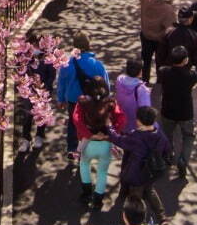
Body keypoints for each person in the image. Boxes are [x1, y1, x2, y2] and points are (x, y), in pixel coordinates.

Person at [109, 105, 172, 225]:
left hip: (136, 173)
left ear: (139, 121)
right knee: (150, 190)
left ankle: (138, 223)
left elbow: (118, 139)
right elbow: (167, 150)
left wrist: (109, 127)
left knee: (135, 200)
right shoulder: (160, 135)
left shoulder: (136, 136)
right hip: (152, 172)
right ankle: (162, 217)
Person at [55, 34, 109, 164]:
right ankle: (85, 151)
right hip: (92, 100)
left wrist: (61, 99)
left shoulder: (67, 64)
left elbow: (61, 83)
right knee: (89, 125)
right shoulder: (97, 65)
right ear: (88, 46)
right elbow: (105, 84)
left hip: (73, 100)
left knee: (73, 123)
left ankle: (72, 148)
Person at [74, 79, 125, 211]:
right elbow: (121, 118)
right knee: (102, 172)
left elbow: (76, 119)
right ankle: (98, 200)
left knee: (84, 165)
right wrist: (112, 134)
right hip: (106, 143)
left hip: (88, 142)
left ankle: (86, 193)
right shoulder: (111, 102)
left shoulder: (82, 102)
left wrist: (89, 134)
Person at [158, 44, 197, 181]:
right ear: (185, 60)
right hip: (185, 112)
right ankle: (183, 160)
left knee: (167, 134)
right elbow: (195, 77)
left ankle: (169, 155)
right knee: (188, 137)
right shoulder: (191, 75)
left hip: (168, 110)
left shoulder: (164, 72)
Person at [135, 0, 177, 84]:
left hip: (146, 37)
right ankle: (159, 81)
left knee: (146, 60)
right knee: (160, 61)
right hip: (159, 40)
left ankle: (145, 80)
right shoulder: (167, 9)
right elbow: (171, 27)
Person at [19, 42, 56, 155]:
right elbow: (20, 73)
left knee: (41, 115)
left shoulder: (46, 59)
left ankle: (39, 136)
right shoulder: (25, 58)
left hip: (43, 92)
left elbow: (51, 76)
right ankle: (26, 138)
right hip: (28, 92)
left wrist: (44, 87)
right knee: (27, 115)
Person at [158, 6, 197, 86]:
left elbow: (160, 54)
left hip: (169, 69)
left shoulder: (169, 32)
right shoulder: (194, 36)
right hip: (185, 70)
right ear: (190, 19)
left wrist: (160, 73)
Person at [114, 57, 151, 133]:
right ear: (140, 72)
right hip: (135, 129)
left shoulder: (119, 80)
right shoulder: (142, 90)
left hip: (121, 123)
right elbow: (145, 112)